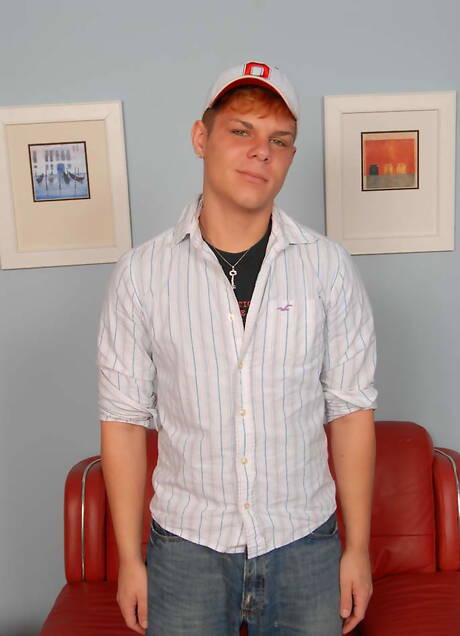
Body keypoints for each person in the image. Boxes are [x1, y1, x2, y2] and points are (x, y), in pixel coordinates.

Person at [97, 60, 378, 636]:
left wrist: (358, 549)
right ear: (201, 137)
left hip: (305, 542)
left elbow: (351, 411)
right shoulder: (141, 275)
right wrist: (129, 559)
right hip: (186, 547)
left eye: (279, 140)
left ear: (291, 157)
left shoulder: (328, 268)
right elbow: (124, 420)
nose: (261, 152)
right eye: (241, 131)